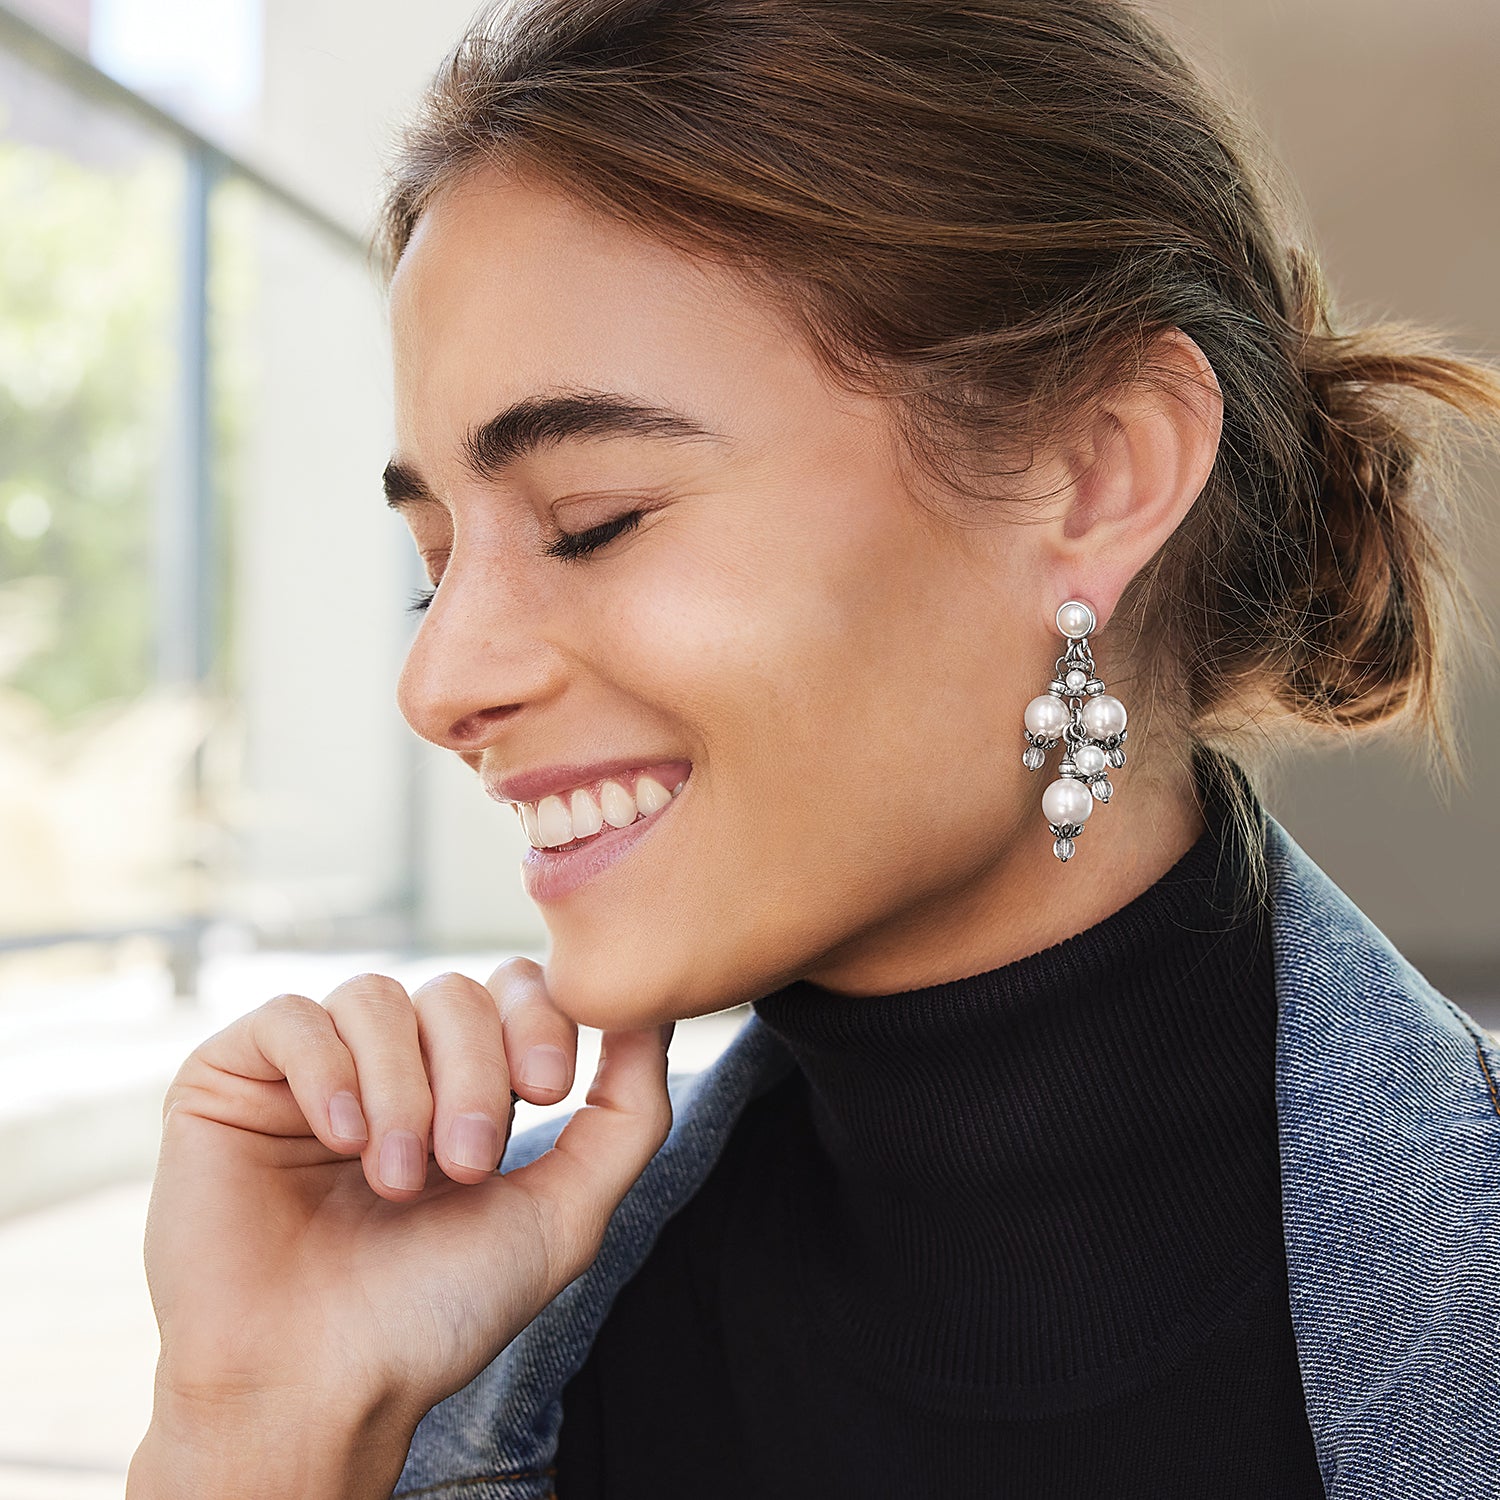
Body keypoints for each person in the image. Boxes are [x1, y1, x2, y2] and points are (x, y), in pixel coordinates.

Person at [127, 1, 1500, 1496]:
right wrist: (257, 1427)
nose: (439, 678)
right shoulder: (456, 1345)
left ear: (1101, 474)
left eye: (594, 522)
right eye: (432, 563)